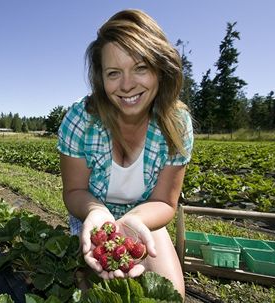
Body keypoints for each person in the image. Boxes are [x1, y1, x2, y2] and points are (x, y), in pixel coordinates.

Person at [56, 9, 193, 298]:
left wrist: (133, 222)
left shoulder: (177, 125)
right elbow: (75, 191)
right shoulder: (81, 120)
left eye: (140, 67)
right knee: (93, 292)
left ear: (160, 67)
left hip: (144, 219)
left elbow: (165, 203)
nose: (127, 84)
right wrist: (96, 212)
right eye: (114, 73)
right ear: (100, 79)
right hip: (91, 218)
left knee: (171, 295)